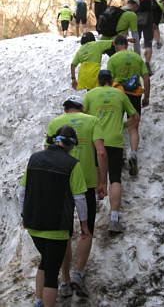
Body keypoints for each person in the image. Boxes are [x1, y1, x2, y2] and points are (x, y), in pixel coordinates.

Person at [19, 125, 89, 307]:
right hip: (57, 227)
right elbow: (80, 199)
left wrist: (24, 215)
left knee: (46, 262)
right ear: (71, 145)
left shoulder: (34, 159)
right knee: (51, 272)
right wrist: (84, 224)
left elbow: (22, 191)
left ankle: (38, 301)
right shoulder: (73, 165)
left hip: (33, 224)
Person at [45, 96, 107, 299]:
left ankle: (64, 281)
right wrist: (102, 181)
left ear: (65, 109)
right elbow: (100, 152)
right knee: (86, 229)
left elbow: (48, 153)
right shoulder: (92, 120)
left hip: (60, 184)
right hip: (86, 184)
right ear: (81, 107)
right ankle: (78, 272)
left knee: (64, 232)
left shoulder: (55, 123)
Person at [83, 70, 139, 233]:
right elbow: (135, 117)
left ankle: (94, 204)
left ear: (98, 81)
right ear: (112, 80)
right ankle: (114, 219)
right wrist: (123, 126)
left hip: (96, 140)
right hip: (115, 141)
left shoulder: (90, 95)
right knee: (115, 178)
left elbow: (83, 116)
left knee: (96, 171)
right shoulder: (120, 94)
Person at [107, 35, 150, 176]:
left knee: (118, 124)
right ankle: (133, 154)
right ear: (126, 44)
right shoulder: (136, 57)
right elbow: (146, 77)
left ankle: (122, 154)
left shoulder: (112, 59)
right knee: (133, 126)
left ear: (116, 45)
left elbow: (109, 80)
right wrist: (147, 96)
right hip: (135, 94)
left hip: (118, 94)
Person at [134, 0, 154, 75]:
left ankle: (137, 64)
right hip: (148, 22)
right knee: (148, 44)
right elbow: (155, 9)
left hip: (137, 22)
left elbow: (129, 10)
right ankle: (147, 64)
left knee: (136, 42)